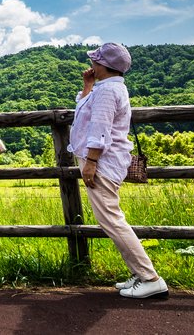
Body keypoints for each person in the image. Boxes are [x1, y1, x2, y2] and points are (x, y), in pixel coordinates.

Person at [69, 43, 169, 299]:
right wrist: (87, 86)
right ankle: (139, 274)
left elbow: (99, 127)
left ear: (105, 65)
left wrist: (91, 161)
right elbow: (84, 112)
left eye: (95, 61)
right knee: (110, 218)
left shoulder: (107, 91)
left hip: (102, 162)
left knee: (111, 219)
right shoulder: (108, 88)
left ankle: (150, 277)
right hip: (105, 160)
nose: (92, 64)